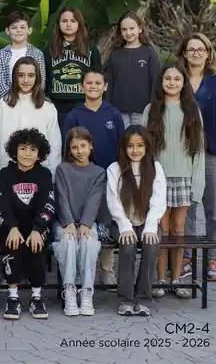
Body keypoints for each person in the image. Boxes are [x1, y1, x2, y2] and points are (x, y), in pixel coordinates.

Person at [179, 33, 216, 282]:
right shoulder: (177, 79)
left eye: (200, 49)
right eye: (191, 50)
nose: (196, 53)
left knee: (213, 209)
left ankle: (213, 258)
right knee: (187, 209)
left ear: (208, 53)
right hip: (184, 154)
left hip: (214, 153)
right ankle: (186, 259)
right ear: (184, 54)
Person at [142, 63, 204, 299]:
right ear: (161, 81)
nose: (172, 83)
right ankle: (160, 279)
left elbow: (199, 149)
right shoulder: (151, 109)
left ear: (183, 83)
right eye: (168, 78)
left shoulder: (192, 110)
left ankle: (177, 279)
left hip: (184, 178)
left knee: (178, 229)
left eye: (177, 79)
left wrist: (197, 183)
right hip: (158, 179)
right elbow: (143, 147)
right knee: (162, 229)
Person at [64, 69, 125, 288]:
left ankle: (107, 269)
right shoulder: (74, 115)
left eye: (98, 83)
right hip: (81, 179)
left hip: (108, 178)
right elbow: (67, 148)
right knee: (82, 221)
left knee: (105, 225)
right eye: (88, 83)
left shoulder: (114, 114)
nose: (93, 86)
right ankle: (78, 270)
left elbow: (122, 148)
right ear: (81, 87)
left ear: (105, 87)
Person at [106, 125, 166, 317]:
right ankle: (126, 299)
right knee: (128, 245)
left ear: (147, 146)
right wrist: (125, 226)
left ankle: (143, 298)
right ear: (124, 148)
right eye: (130, 146)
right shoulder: (115, 169)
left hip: (148, 222)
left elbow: (159, 199)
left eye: (140, 145)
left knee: (151, 245)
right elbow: (113, 201)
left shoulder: (155, 168)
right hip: (122, 222)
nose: (135, 150)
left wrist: (150, 227)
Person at [0, 128, 56, 320]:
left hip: (36, 226)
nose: (27, 154)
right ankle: (12, 297)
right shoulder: (6, 174)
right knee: (12, 245)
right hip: (12, 226)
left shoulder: (44, 174)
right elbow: (1, 203)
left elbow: (48, 203)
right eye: (23, 148)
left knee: (37, 245)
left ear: (39, 154)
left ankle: (36, 297)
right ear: (15, 151)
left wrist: (38, 229)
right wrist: (11, 227)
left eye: (32, 149)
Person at [53, 127, 105, 317]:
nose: (79, 151)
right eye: (74, 147)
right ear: (69, 149)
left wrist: (85, 224)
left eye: (83, 146)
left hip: (86, 223)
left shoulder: (98, 172)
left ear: (91, 146)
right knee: (68, 241)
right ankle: (69, 289)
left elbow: (94, 199)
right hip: (64, 222)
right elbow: (61, 197)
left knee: (88, 241)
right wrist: (68, 223)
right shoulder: (62, 169)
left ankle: (87, 291)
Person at [0, 56, 61, 176]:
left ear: (37, 77)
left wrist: (51, 175)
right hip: (9, 173)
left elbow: (55, 144)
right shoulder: (3, 105)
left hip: (40, 174)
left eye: (31, 75)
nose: (26, 80)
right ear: (15, 77)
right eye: (21, 75)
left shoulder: (47, 106)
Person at [44, 7, 102, 130]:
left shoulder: (90, 49)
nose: (68, 24)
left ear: (79, 23)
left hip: (83, 104)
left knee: (83, 140)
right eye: (64, 21)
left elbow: (99, 75)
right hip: (57, 106)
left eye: (73, 21)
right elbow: (45, 78)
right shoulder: (49, 49)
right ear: (58, 24)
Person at [105, 11, 160, 128]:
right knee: (122, 138)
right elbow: (109, 83)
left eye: (132, 28)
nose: (128, 33)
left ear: (140, 29)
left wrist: (153, 107)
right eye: (124, 29)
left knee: (139, 138)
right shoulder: (115, 55)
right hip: (119, 110)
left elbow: (155, 82)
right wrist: (108, 107)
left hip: (142, 110)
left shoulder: (149, 53)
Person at [0, 11, 46, 98]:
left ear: (29, 30)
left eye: (22, 27)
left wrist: (29, 99)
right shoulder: (1, 54)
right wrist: (13, 99)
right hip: (8, 100)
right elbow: (0, 83)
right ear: (7, 31)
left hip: (32, 100)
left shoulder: (37, 54)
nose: (18, 30)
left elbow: (41, 81)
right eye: (14, 27)